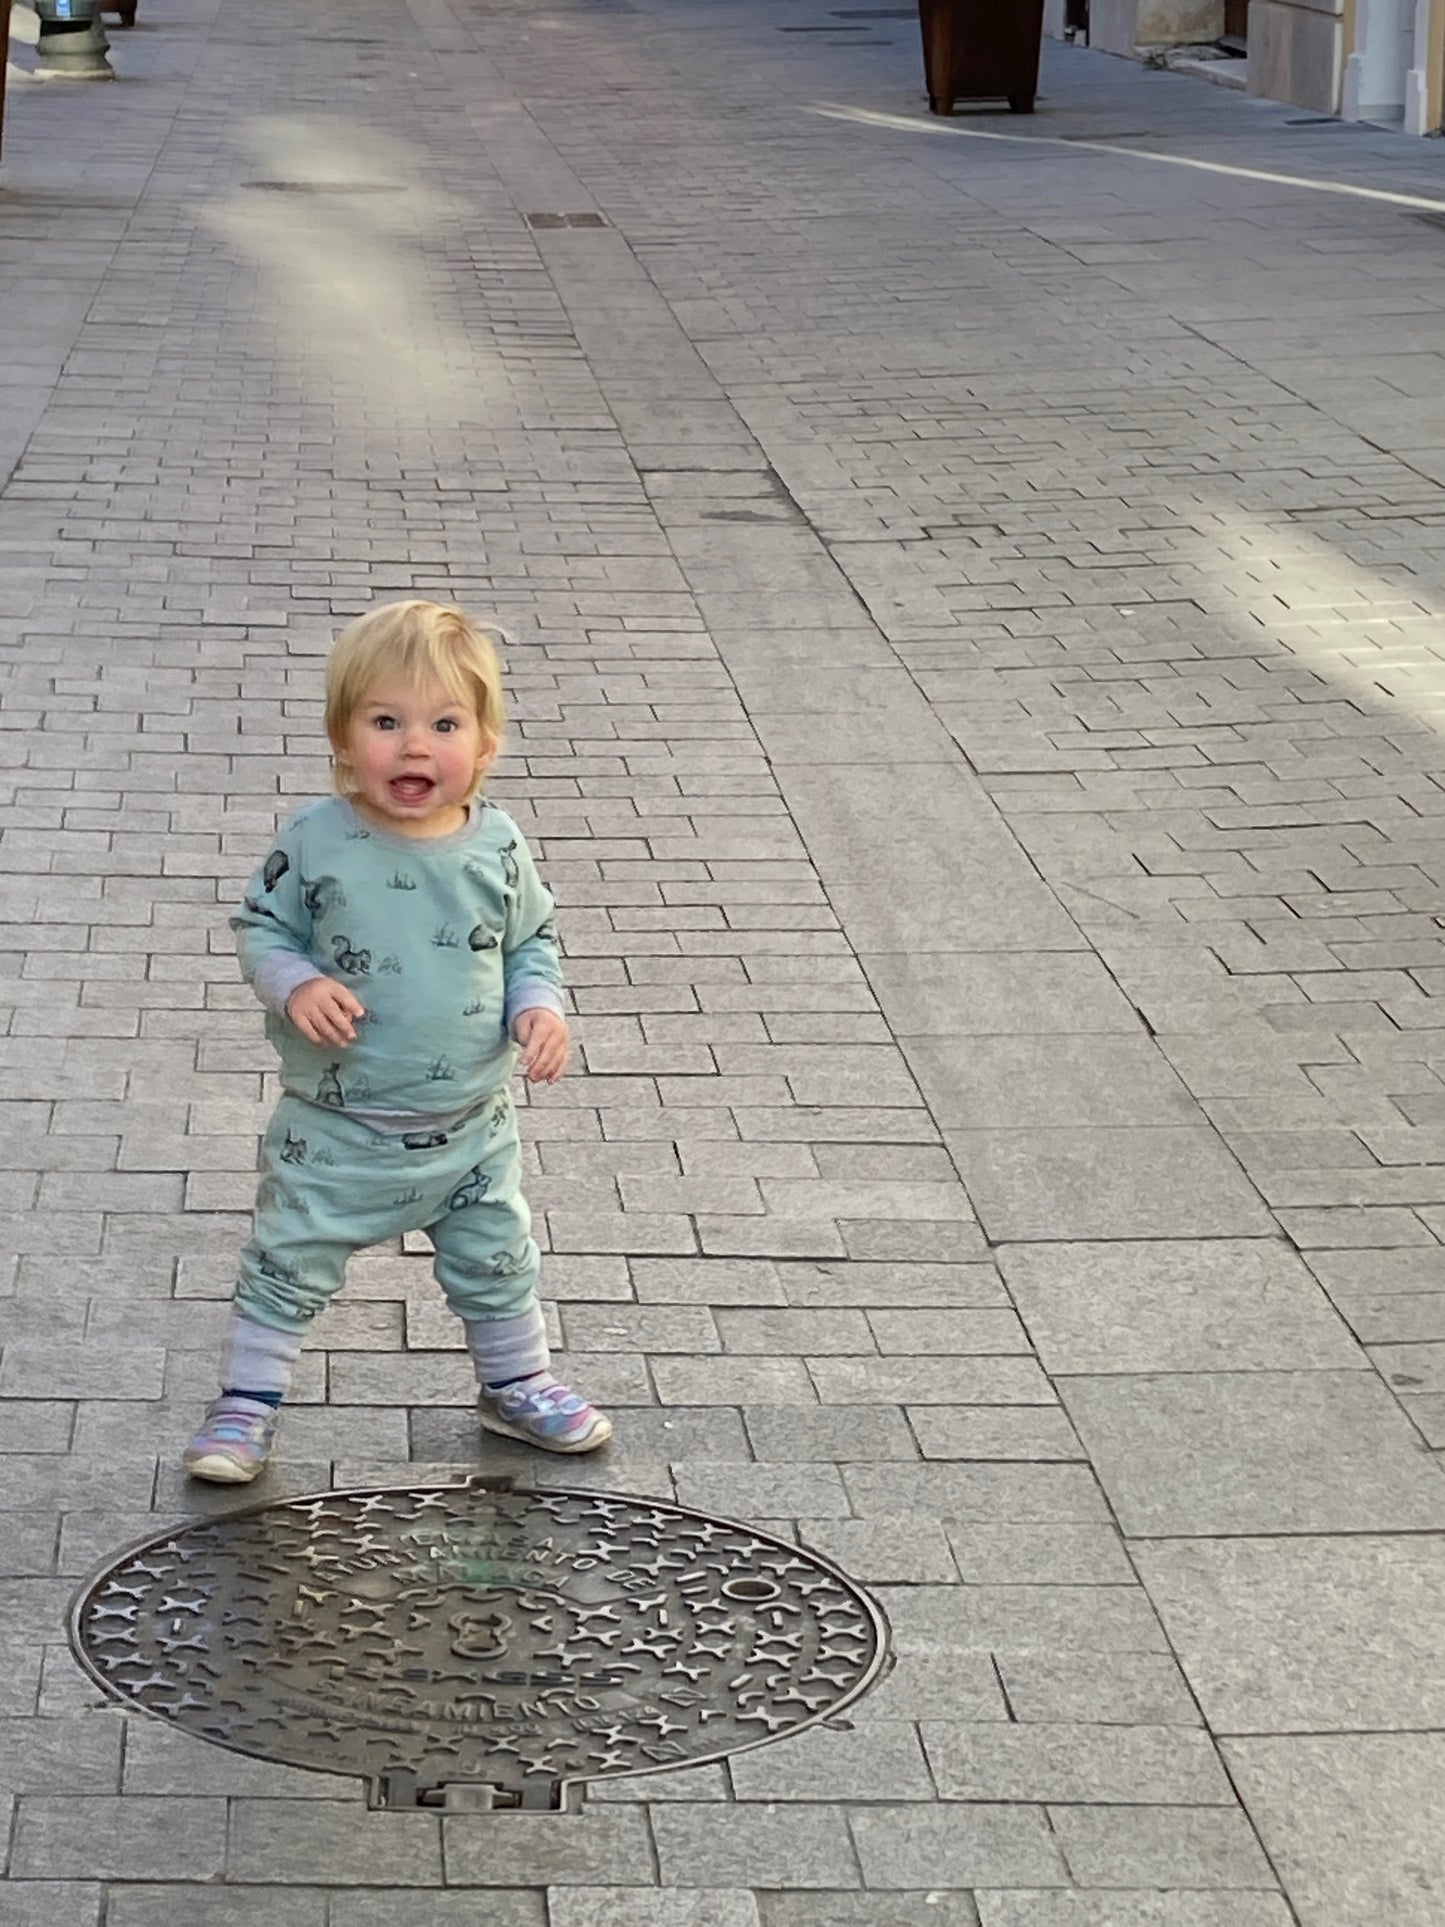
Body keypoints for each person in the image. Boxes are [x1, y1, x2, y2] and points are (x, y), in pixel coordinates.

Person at [183, 599, 610, 1482]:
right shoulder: (317, 839)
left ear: (485, 746)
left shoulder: (497, 844)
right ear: (343, 739)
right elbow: (259, 925)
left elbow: (532, 938)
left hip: (470, 1126)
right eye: (386, 721)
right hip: (338, 1122)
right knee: (288, 1254)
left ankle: (515, 1382)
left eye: (444, 723)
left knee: (497, 1256)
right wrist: (296, 980)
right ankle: (247, 1402)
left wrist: (540, 1007)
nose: (415, 746)